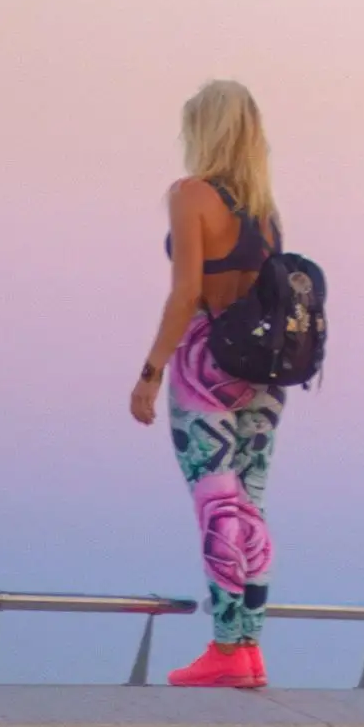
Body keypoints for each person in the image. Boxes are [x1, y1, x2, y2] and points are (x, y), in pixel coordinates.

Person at [130, 80, 286, 688]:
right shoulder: (266, 210)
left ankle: (224, 649)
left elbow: (186, 292)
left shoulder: (190, 194)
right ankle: (248, 648)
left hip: (205, 360)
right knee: (249, 500)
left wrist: (150, 371)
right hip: (265, 373)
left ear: (205, 129)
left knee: (215, 501)